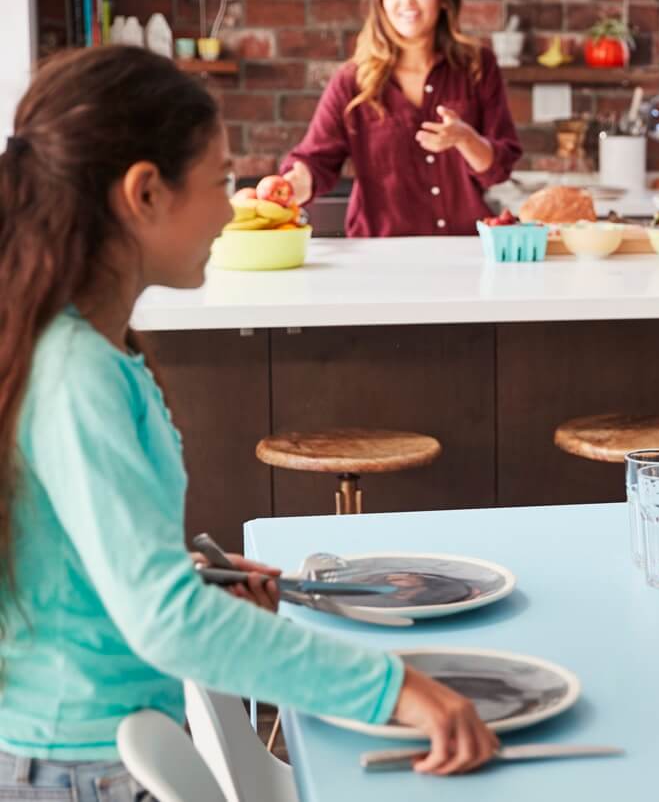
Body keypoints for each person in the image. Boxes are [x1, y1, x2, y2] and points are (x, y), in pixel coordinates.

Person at [0, 46, 497, 798]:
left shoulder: (93, 348)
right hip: (77, 768)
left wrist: (199, 577)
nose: (233, 207)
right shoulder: (77, 370)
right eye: (218, 180)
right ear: (145, 194)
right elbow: (163, 622)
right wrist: (393, 688)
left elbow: (86, 556)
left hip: (95, 752)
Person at [276, 0, 522, 236]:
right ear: (380, 2)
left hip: (463, 250)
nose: (406, 1)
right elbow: (314, 161)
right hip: (380, 257)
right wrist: (291, 184)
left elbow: (498, 170)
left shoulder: (478, 66)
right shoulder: (352, 81)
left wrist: (465, 139)